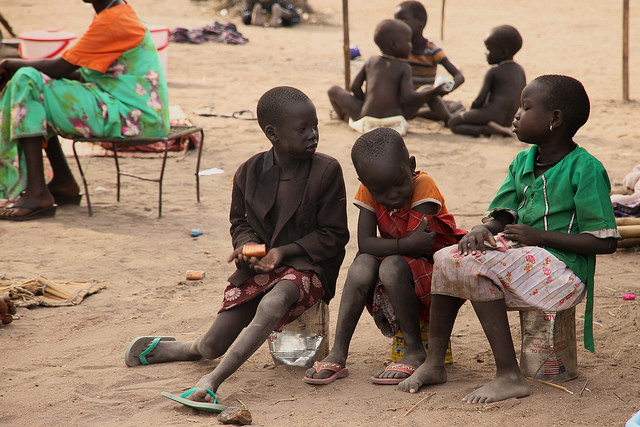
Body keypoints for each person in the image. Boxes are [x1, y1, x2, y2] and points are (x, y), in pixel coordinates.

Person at [398, 75, 619, 403]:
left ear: (555, 119)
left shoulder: (586, 169)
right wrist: (483, 228)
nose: (516, 115)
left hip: (565, 272)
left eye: (525, 108)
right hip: (526, 260)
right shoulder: (522, 162)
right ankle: (434, 362)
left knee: (477, 269)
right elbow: (504, 213)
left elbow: (606, 242)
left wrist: (539, 236)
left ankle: (509, 375)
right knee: (446, 258)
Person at [124, 86, 349, 405]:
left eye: (315, 126)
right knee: (213, 346)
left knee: (273, 303)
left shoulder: (326, 170)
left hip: (308, 266)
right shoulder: (249, 173)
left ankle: (211, 381)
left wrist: (283, 252)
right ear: (273, 134)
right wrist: (248, 248)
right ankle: (187, 348)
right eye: (302, 129)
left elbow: (335, 235)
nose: (313, 134)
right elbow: (240, 223)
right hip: (261, 268)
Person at [303, 128, 465, 386]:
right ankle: (339, 351)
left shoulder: (423, 186)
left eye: (400, 183)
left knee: (388, 265)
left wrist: (398, 245)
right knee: (361, 264)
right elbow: (366, 244)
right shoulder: (369, 188)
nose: (393, 196)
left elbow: (417, 246)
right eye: (380, 191)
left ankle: (414, 350)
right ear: (366, 183)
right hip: (400, 264)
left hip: (433, 277)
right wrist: (403, 243)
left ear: (410, 165)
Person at [0, 0, 169, 220]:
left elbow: (60, 67)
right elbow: (80, 72)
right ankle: (62, 181)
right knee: (36, 84)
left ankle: (38, 192)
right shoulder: (114, 13)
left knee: (28, 82)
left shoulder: (113, 20)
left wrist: (10, 64)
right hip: (133, 111)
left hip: (133, 116)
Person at [327, 19, 451, 136]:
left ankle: (342, 116)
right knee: (426, 90)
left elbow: (355, 87)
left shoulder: (371, 61)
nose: (411, 45)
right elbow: (408, 97)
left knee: (333, 90)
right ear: (394, 45)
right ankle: (449, 120)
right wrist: (435, 91)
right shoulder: (404, 67)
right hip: (395, 120)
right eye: (408, 41)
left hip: (366, 118)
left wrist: (367, 102)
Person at [393, 1, 465, 124]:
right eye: (396, 21)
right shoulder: (397, 49)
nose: (398, 25)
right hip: (403, 101)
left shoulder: (432, 50)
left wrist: (446, 89)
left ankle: (436, 116)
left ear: (420, 21)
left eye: (403, 20)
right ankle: (431, 115)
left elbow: (459, 76)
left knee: (452, 106)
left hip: (425, 99)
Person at [448, 25, 526, 137]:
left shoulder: (494, 71)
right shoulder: (520, 70)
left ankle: (486, 129)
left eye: (488, 49)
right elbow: (522, 98)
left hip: (491, 115)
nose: (486, 53)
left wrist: (471, 113)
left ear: (504, 53)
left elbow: (479, 100)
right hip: (508, 119)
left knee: (453, 122)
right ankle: (499, 128)